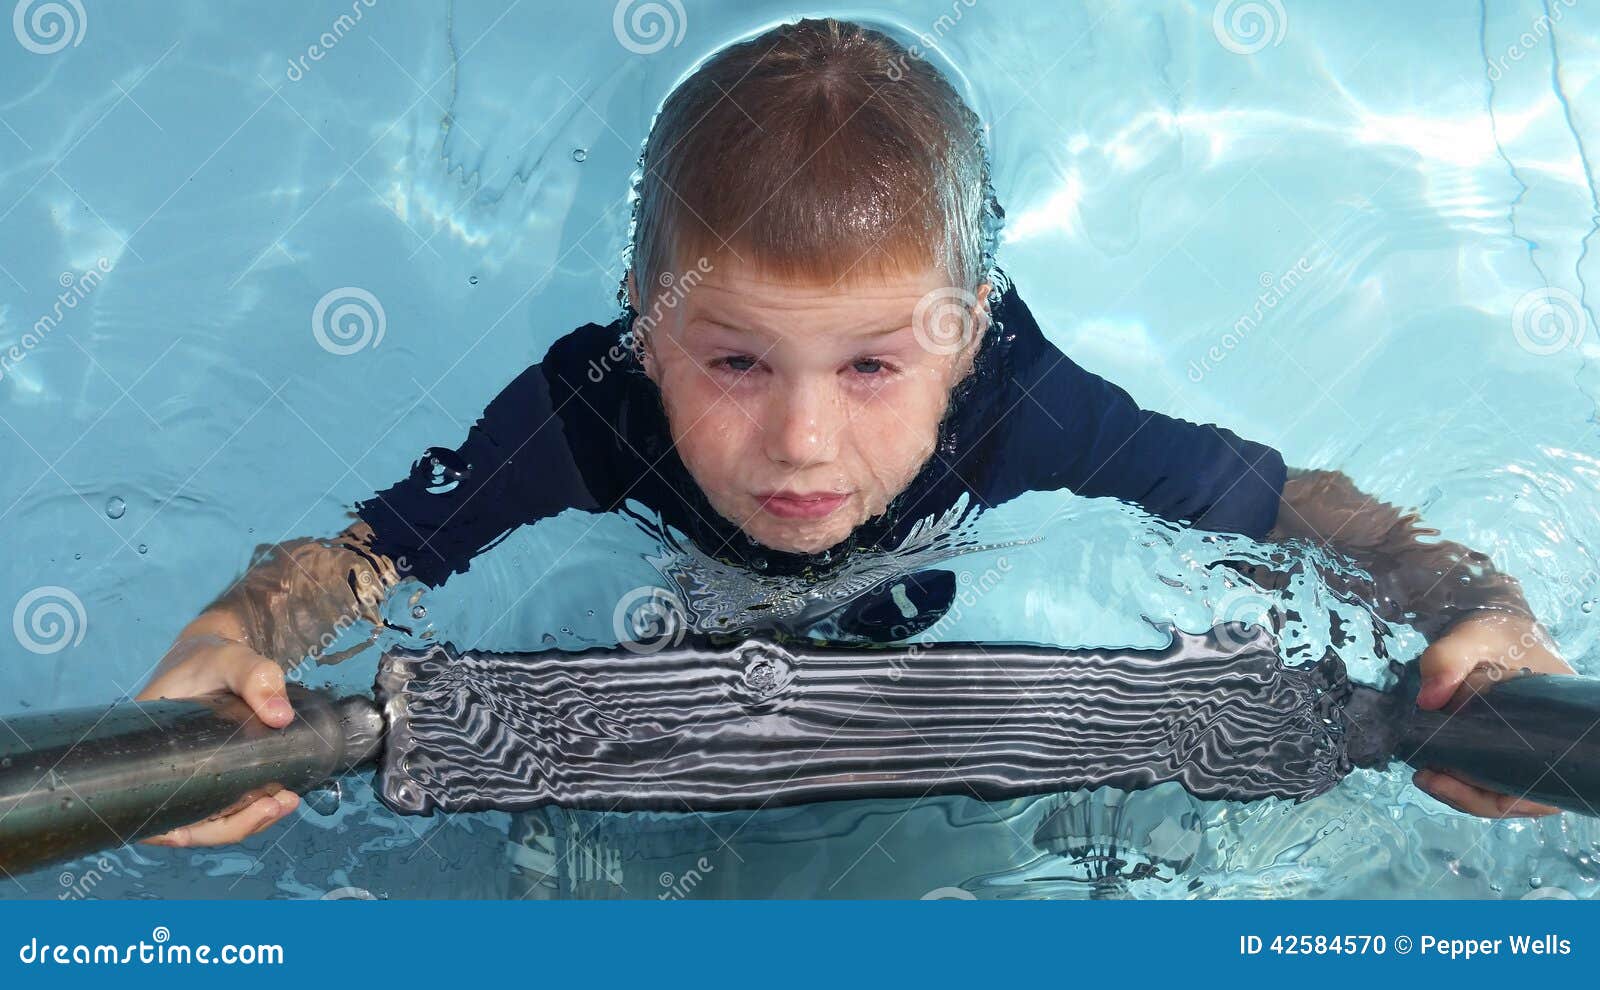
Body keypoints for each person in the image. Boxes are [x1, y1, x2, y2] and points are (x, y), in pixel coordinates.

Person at [136, 17, 1572, 849]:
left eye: (874, 364)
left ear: (958, 331)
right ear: (647, 318)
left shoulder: (1016, 396)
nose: (801, 441)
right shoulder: (592, 404)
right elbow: (366, 558)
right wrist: (239, 636)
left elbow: (1306, 516)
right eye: (736, 358)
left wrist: (1481, 609)